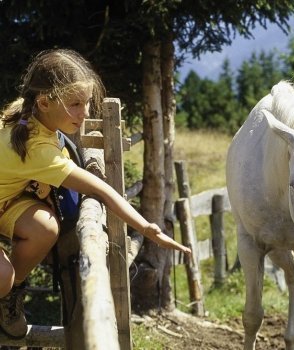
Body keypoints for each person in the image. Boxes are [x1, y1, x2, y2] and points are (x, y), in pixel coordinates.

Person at [0, 49, 191, 339]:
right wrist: (147, 228)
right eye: (75, 104)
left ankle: (7, 299)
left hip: (6, 201)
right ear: (44, 102)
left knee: (45, 228)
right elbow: (100, 189)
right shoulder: (38, 150)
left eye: (87, 102)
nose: (85, 113)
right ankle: (6, 289)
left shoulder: (27, 113)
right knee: (3, 277)